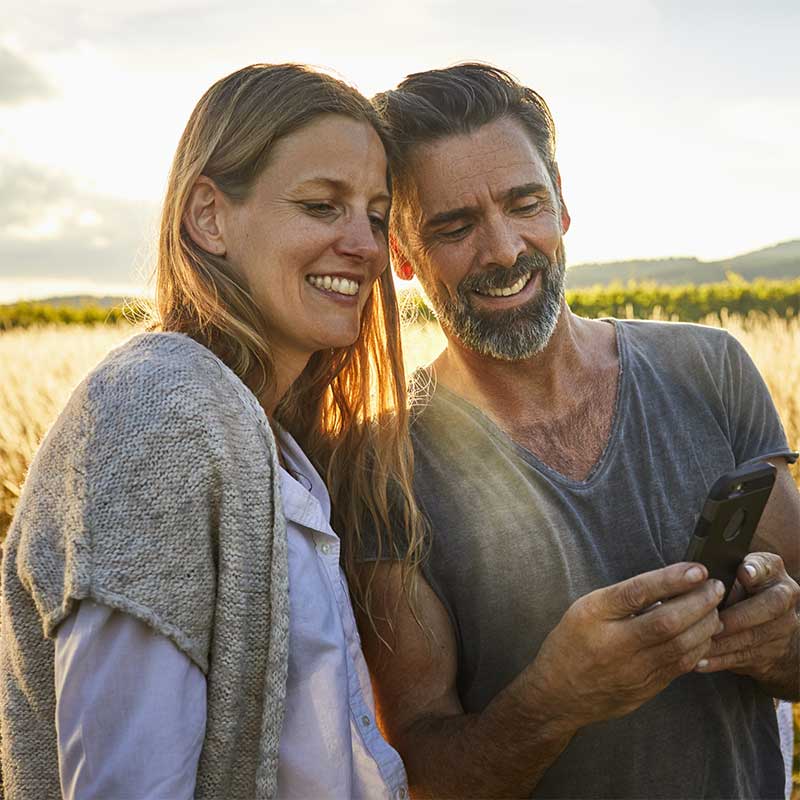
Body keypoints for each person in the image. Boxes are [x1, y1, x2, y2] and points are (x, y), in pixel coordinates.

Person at [353, 63, 800, 799]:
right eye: (455, 227)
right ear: (402, 254)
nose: (502, 251)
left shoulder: (711, 369)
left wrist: (778, 646)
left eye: (524, 203)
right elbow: (425, 775)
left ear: (561, 205)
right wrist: (554, 700)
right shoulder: (383, 465)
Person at [0, 63, 423, 799]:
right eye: (323, 205)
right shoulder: (158, 414)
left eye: (377, 215)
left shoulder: (260, 434)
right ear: (209, 216)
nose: (365, 245)